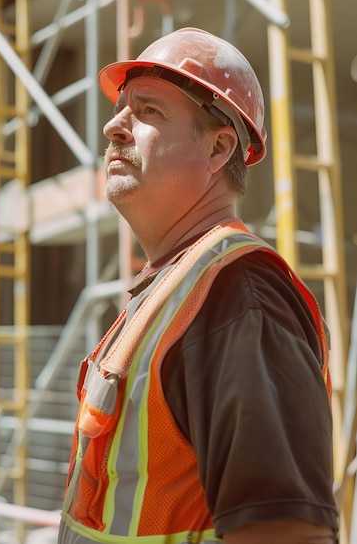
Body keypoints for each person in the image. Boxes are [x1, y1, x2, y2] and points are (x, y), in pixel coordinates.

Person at [58, 28, 339, 544]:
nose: (113, 126)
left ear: (218, 148)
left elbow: (286, 532)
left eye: (148, 112)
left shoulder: (237, 294)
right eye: (122, 108)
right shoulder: (178, 288)